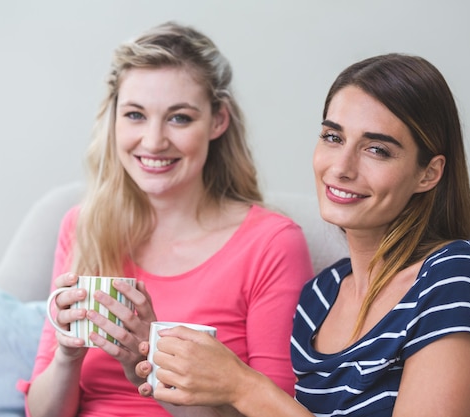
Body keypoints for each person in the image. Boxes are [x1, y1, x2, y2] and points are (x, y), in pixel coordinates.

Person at [135, 53, 470, 417]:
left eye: (377, 149)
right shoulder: (321, 295)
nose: (341, 167)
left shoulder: (455, 278)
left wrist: (243, 385)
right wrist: (154, 363)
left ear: (428, 173)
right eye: (333, 137)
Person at [19, 21, 314, 417]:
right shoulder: (83, 225)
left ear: (218, 121)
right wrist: (67, 355)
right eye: (136, 115)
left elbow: (272, 412)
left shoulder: (272, 243)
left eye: (179, 118)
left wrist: (145, 364)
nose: (154, 141)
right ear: (114, 120)